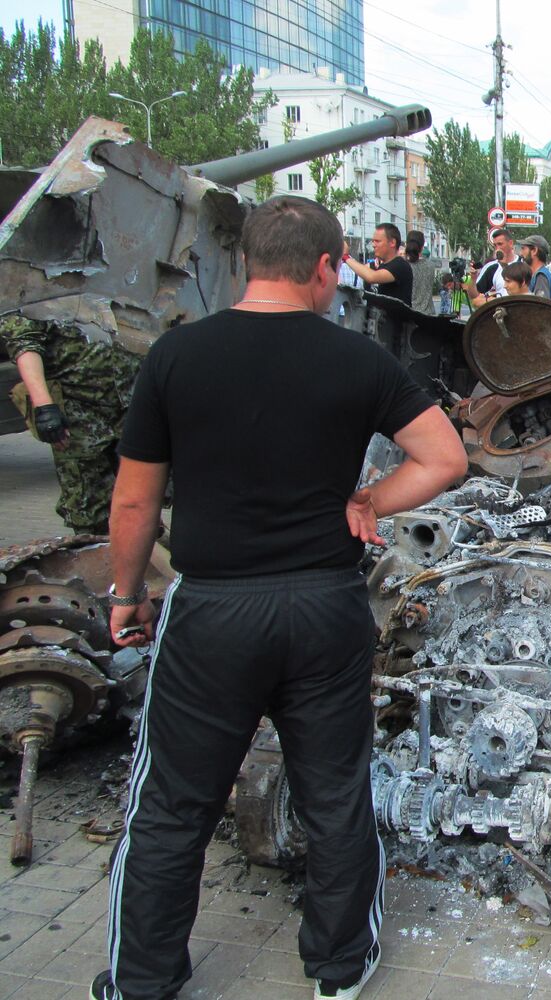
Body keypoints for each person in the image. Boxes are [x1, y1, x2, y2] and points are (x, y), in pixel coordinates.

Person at [94, 196, 468, 1000]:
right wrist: (369, 499)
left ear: (245, 263)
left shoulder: (176, 357)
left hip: (212, 612)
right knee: (335, 792)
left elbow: (132, 504)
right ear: (327, 267)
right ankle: (338, 970)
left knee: (171, 805)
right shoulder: (356, 359)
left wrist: (125, 594)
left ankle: (143, 981)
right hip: (324, 607)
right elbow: (444, 459)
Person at [0, 315, 140, 534]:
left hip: (132, 405)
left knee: (143, 496)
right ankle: (97, 556)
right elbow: (25, 344)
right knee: (89, 504)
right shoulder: (46, 293)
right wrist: (44, 406)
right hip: (80, 413)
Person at [344, 223, 414, 306]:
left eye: (377, 241)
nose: (373, 245)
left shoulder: (400, 265)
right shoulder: (382, 265)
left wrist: (345, 256)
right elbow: (363, 270)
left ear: (392, 242)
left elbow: (371, 277)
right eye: (373, 241)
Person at [470, 228, 522, 307]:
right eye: (495, 245)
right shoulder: (491, 267)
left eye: (500, 244)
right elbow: (474, 297)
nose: (497, 248)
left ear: (511, 243)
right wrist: (473, 279)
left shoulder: (523, 264)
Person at [405, 230, 437, 314]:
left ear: (406, 244)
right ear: (422, 247)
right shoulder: (431, 265)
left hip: (410, 315)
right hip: (429, 315)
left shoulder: (403, 266)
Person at [518, 235, 551, 299]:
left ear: (534, 250)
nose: (521, 253)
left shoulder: (541, 276)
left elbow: (540, 307)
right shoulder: (538, 275)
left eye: (523, 248)